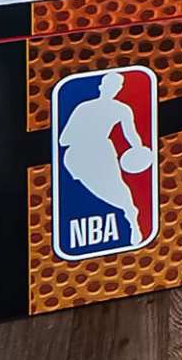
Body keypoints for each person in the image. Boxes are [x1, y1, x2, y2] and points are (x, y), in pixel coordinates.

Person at [52, 72, 156, 245]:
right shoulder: (85, 108)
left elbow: (132, 135)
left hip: (99, 153)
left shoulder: (118, 109)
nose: (113, 89)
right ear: (102, 86)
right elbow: (62, 140)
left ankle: (132, 219)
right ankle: (130, 212)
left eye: (116, 86)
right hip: (80, 156)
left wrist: (138, 150)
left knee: (117, 188)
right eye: (111, 85)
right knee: (99, 191)